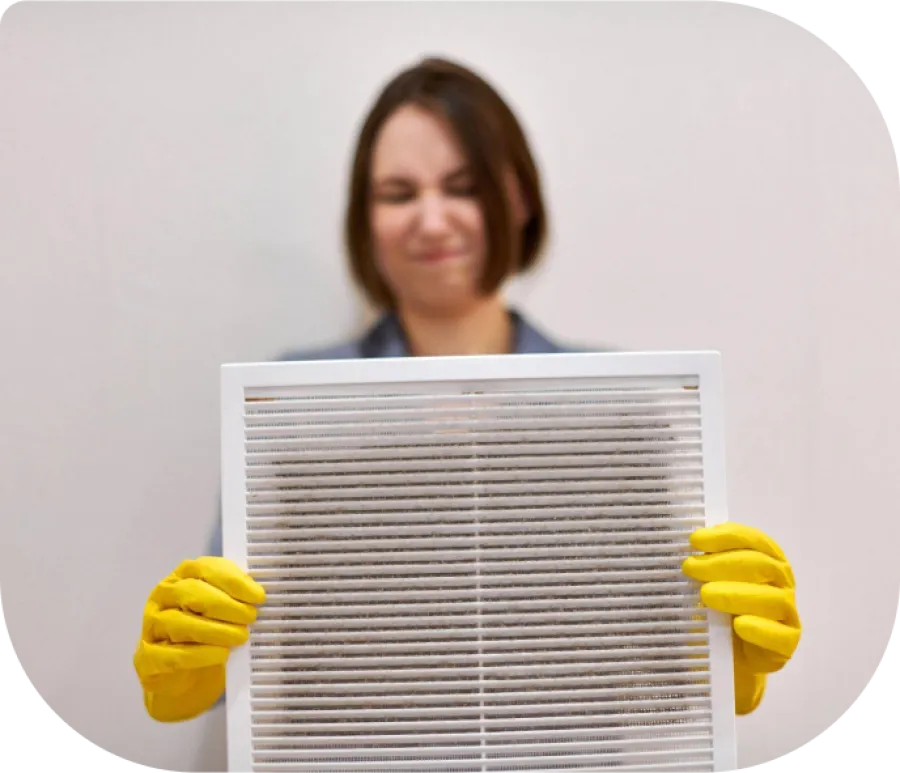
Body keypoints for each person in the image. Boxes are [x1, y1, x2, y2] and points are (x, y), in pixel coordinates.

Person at [133, 56, 801, 726]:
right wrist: (192, 658)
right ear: (365, 219)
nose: (431, 219)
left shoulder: (614, 409)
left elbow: (648, 672)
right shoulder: (285, 412)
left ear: (518, 198)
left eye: (463, 186)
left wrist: (715, 657)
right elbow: (234, 652)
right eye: (398, 193)